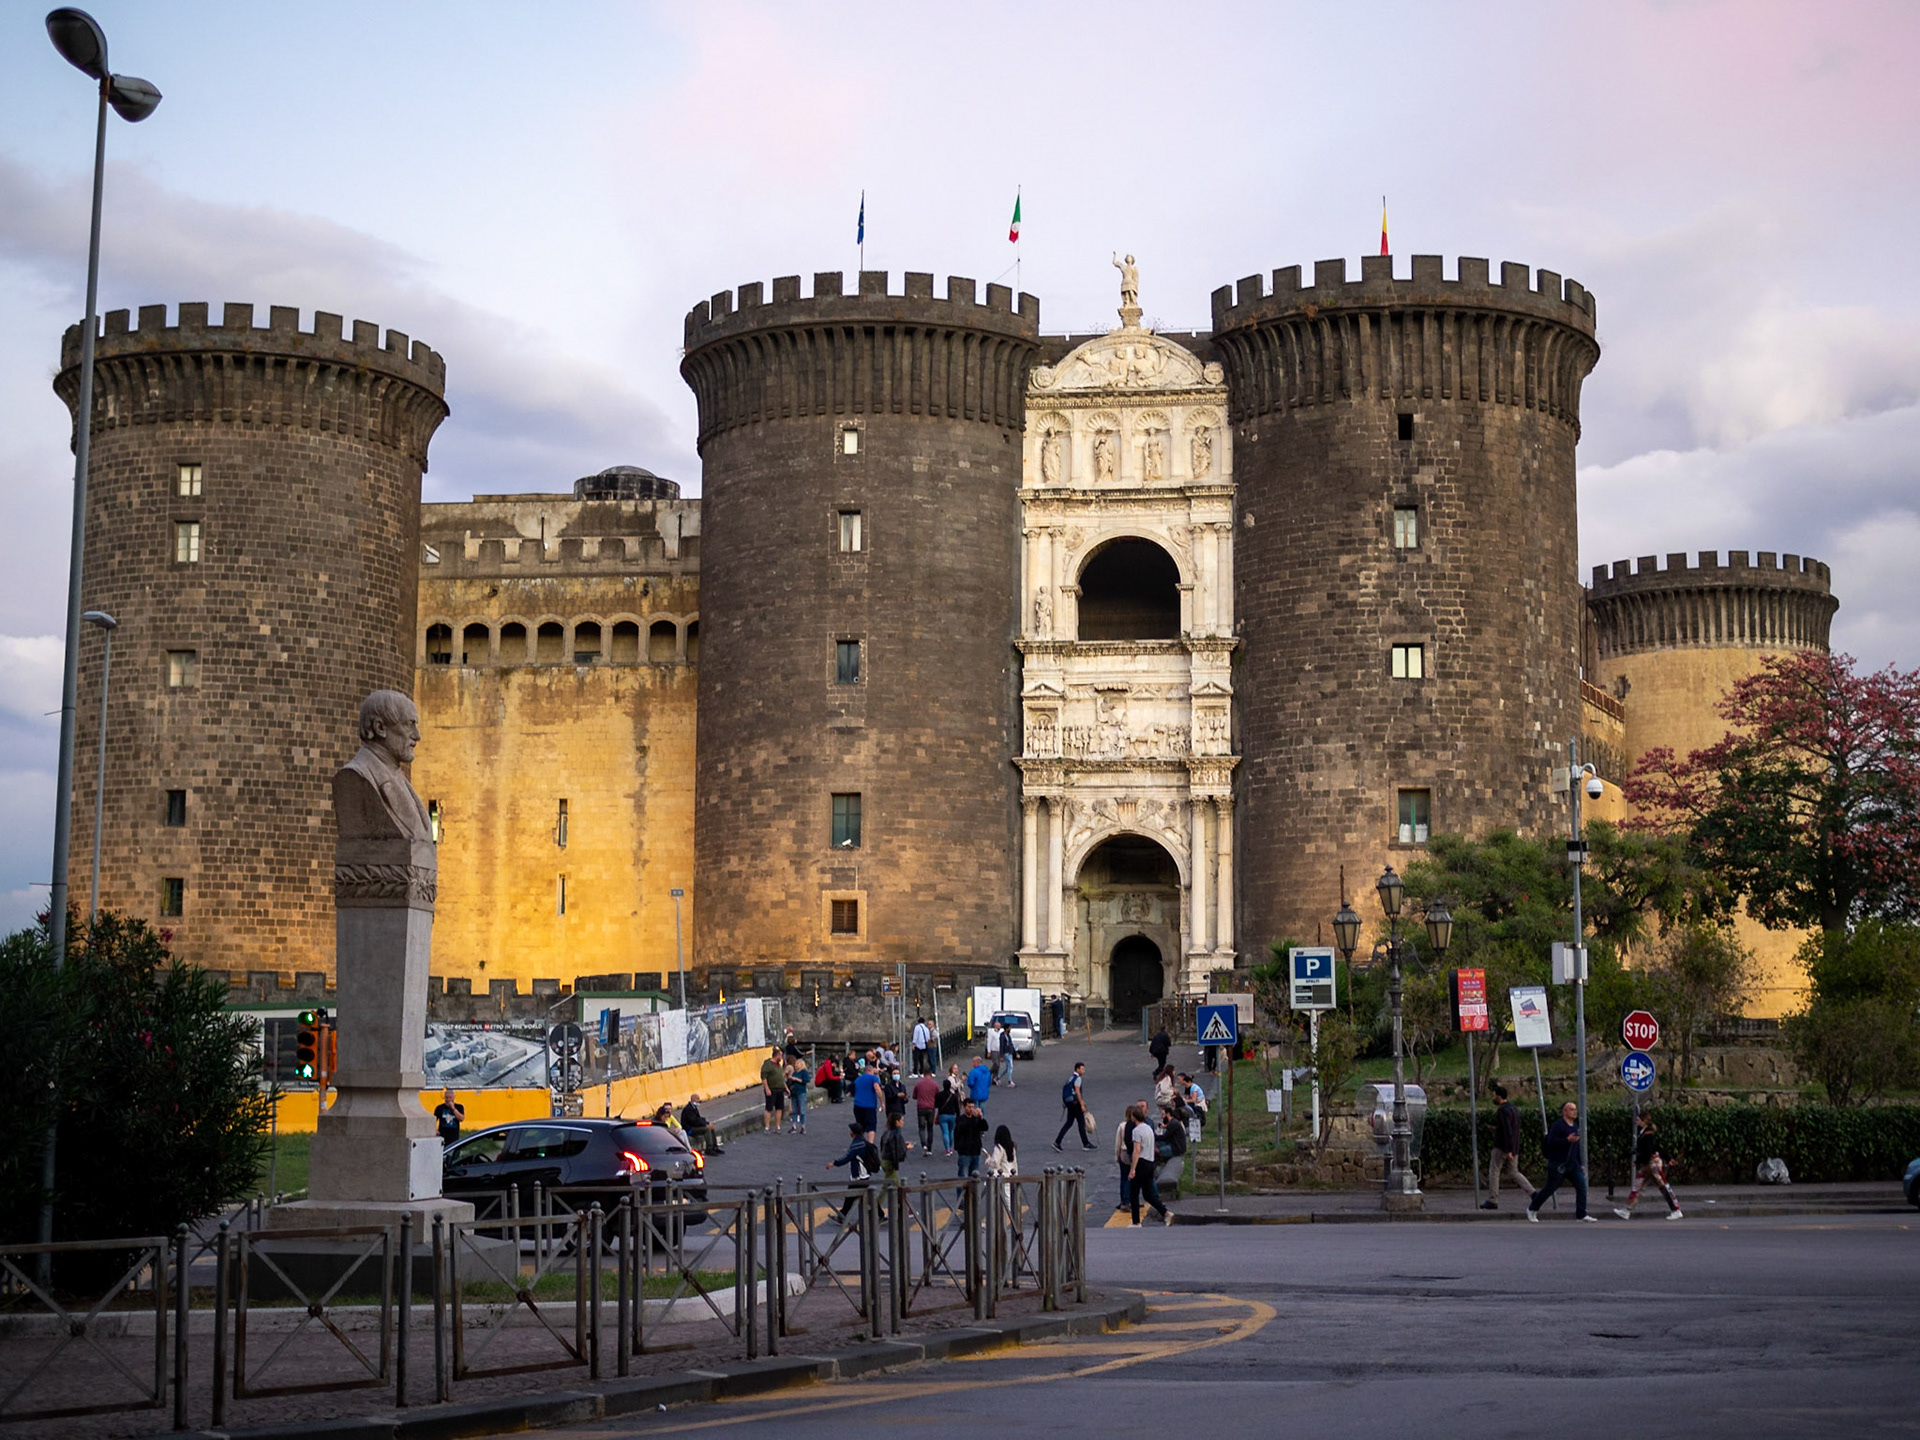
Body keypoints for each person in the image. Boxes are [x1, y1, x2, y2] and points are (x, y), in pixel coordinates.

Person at [1527, 1100, 1597, 1222]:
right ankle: (1532, 1208)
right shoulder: (1558, 1125)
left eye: (1575, 1109)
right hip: (1558, 1163)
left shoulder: (1575, 1126)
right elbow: (1551, 1142)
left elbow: (1576, 1147)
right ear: (1564, 1112)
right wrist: (1566, 1140)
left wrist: (1580, 1163)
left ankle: (1581, 1214)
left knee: (1582, 1186)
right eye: (1571, 1109)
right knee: (1550, 1188)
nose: (1574, 1112)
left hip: (1573, 1163)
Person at [1614, 1112, 1684, 1221]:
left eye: (1638, 1120)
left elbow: (1649, 1150)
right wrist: (1668, 1158)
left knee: (1654, 1186)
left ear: (1643, 1121)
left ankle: (1676, 1209)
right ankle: (1627, 1210)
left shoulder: (1647, 1135)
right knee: (1647, 1187)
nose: (1636, 1122)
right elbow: (1657, 1147)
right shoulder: (1645, 1133)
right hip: (1650, 1164)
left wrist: (1638, 1161)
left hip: (1651, 1165)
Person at [1481, 1084, 1531, 1209]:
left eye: (1494, 1096)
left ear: (1498, 1097)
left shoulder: (1502, 1110)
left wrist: (1508, 1149)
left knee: (1494, 1171)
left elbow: (1507, 1130)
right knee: (1513, 1171)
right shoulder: (1513, 1109)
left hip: (1502, 1147)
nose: (1494, 1098)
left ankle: (1493, 1199)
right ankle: (1533, 1192)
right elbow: (1512, 1129)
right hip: (1514, 1146)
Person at [827, 1121, 882, 1222]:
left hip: (859, 1176)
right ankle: (880, 1215)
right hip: (864, 1175)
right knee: (866, 1195)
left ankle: (842, 1216)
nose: (849, 1132)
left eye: (851, 1130)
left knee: (852, 1196)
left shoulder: (857, 1145)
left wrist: (834, 1163)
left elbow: (847, 1158)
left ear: (854, 1132)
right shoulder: (862, 1142)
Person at [1129, 1102, 1172, 1227]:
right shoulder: (1148, 1128)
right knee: (1148, 1194)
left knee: (1134, 1193)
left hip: (1141, 1162)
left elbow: (1137, 1150)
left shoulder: (1136, 1131)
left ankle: (1136, 1222)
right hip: (1150, 1162)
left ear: (1134, 1117)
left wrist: (1133, 1169)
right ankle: (1165, 1212)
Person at [1055, 1061, 1094, 1151]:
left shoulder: (1071, 1077)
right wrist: (1082, 1104)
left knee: (1069, 1123)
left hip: (1070, 1103)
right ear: (1077, 1069)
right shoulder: (1078, 1079)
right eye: (1082, 1069)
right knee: (1081, 1123)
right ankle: (1086, 1143)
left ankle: (1057, 1142)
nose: (1083, 1071)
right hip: (1075, 1104)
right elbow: (1077, 1091)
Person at [954, 1099, 989, 1178]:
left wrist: (981, 1117)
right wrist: (972, 1119)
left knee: (974, 1177)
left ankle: (972, 1191)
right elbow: (962, 1128)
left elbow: (985, 1127)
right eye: (969, 1107)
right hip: (964, 1152)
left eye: (973, 1107)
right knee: (963, 1176)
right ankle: (962, 1191)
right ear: (964, 1107)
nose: (971, 1109)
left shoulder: (976, 1119)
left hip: (975, 1151)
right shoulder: (960, 1119)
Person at [1113, 1108, 1138, 1213]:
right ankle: (1127, 1201)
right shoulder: (1135, 1126)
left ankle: (1123, 1200)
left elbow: (1118, 1142)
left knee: (1123, 1178)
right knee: (1130, 1177)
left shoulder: (1122, 1126)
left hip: (1122, 1152)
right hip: (1130, 1153)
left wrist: (1116, 1155)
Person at [851, 1058, 881, 1141]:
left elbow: (851, 1092)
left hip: (857, 1105)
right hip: (869, 1105)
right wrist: (882, 1102)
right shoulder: (873, 1078)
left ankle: (861, 1143)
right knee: (871, 1126)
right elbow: (877, 1089)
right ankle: (870, 1145)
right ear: (871, 1070)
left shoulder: (857, 1079)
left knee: (860, 1126)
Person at [760, 1046, 788, 1133]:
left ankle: (777, 1126)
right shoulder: (768, 1065)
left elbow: (781, 1078)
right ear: (777, 1055)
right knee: (769, 1108)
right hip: (771, 1089)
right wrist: (767, 1088)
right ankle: (767, 1127)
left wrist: (786, 1088)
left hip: (779, 1089)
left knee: (779, 1108)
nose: (782, 1057)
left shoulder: (779, 1065)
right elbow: (764, 1077)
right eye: (781, 1055)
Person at [913, 1068, 940, 1153]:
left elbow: (914, 1096)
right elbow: (937, 1096)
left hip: (921, 1107)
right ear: (931, 1074)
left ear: (923, 1074)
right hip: (931, 1108)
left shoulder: (918, 1084)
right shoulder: (935, 1084)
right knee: (930, 1128)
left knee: (921, 1128)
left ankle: (923, 1144)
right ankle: (929, 1148)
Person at [879, 1112, 913, 1180]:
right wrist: (906, 1148)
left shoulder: (887, 1132)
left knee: (889, 1182)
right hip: (890, 1162)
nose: (903, 1122)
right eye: (902, 1120)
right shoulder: (895, 1134)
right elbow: (896, 1149)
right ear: (897, 1122)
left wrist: (902, 1143)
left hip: (884, 1159)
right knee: (893, 1183)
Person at [937, 1065, 962, 1154]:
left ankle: (947, 1148)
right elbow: (957, 1107)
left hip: (943, 1115)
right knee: (951, 1131)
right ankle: (950, 1147)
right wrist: (958, 1115)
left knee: (945, 1132)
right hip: (952, 1115)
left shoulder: (939, 1095)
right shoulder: (953, 1096)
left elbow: (936, 1105)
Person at [786, 1054, 810, 1135]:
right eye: (796, 1064)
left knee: (802, 1110)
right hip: (794, 1092)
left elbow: (806, 1080)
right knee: (794, 1110)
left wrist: (796, 1079)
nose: (796, 1065)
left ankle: (803, 1126)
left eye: (798, 1064)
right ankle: (794, 1126)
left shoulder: (804, 1072)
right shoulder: (794, 1073)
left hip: (801, 1092)